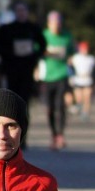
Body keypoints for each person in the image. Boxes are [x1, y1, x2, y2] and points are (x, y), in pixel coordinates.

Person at [0, 1, 46, 107]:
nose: (21, 13)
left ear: (27, 12)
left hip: (28, 68)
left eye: (23, 10)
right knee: (12, 96)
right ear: (15, 13)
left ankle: (23, 119)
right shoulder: (6, 29)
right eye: (18, 11)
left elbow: (43, 44)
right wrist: (7, 54)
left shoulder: (33, 28)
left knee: (25, 97)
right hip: (11, 68)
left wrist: (35, 55)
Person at [40, 10, 75, 150]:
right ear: (49, 24)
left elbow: (72, 52)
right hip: (48, 76)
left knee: (60, 106)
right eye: (54, 24)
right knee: (50, 108)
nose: (57, 26)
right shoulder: (44, 36)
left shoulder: (66, 36)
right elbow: (37, 51)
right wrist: (47, 53)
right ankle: (53, 134)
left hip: (62, 75)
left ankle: (60, 134)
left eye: (59, 23)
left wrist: (71, 61)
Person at [69, 41, 95, 121]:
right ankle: (79, 108)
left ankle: (85, 113)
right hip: (78, 80)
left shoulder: (91, 58)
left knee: (87, 97)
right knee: (79, 98)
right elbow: (69, 66)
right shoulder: (75, 57)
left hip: (88, 80)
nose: (85, 50)